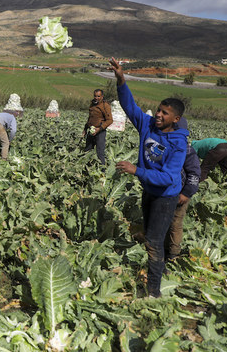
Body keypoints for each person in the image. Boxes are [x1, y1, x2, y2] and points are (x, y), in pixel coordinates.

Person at [109, 57, 188, 298]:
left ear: (175, 119)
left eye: (165, 113)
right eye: (159, 110)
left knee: (154, 242)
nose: (158, 115)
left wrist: (137, 170)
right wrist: (121, 79)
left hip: (166, 196)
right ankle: (156, 274)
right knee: (151, 236)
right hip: (149, 191)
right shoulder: (148, 126)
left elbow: (167, 178)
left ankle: (154, 292)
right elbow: (130, 106)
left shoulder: (179, 143)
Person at [165, 117, 201, 264]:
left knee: (175, 224)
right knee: (161, 222)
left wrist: (186, 193)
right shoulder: (163, 145)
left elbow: (194, 174)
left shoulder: (187, 150)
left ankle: (173, 254)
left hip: (179, 193)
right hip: (163, 192)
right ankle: (160, 248)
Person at [0, 93, 23, 160]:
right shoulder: (12, 117)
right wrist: (10, 139)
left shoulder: (4, 114)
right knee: (5, 143)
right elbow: (13, 130)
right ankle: (4, 160)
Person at [82, 89, 113, 164]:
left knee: (100, 153)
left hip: (100, 132)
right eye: (95, 96)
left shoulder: (105, 106)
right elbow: (90, 118)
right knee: (87, 150)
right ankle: (87, 167)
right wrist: (85, 129)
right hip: (91, 130)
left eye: (98, 96)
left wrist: (99, 129)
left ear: (102, 96)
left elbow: (110, 120)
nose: (96, 98)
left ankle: (102, 171)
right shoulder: (92, 103)